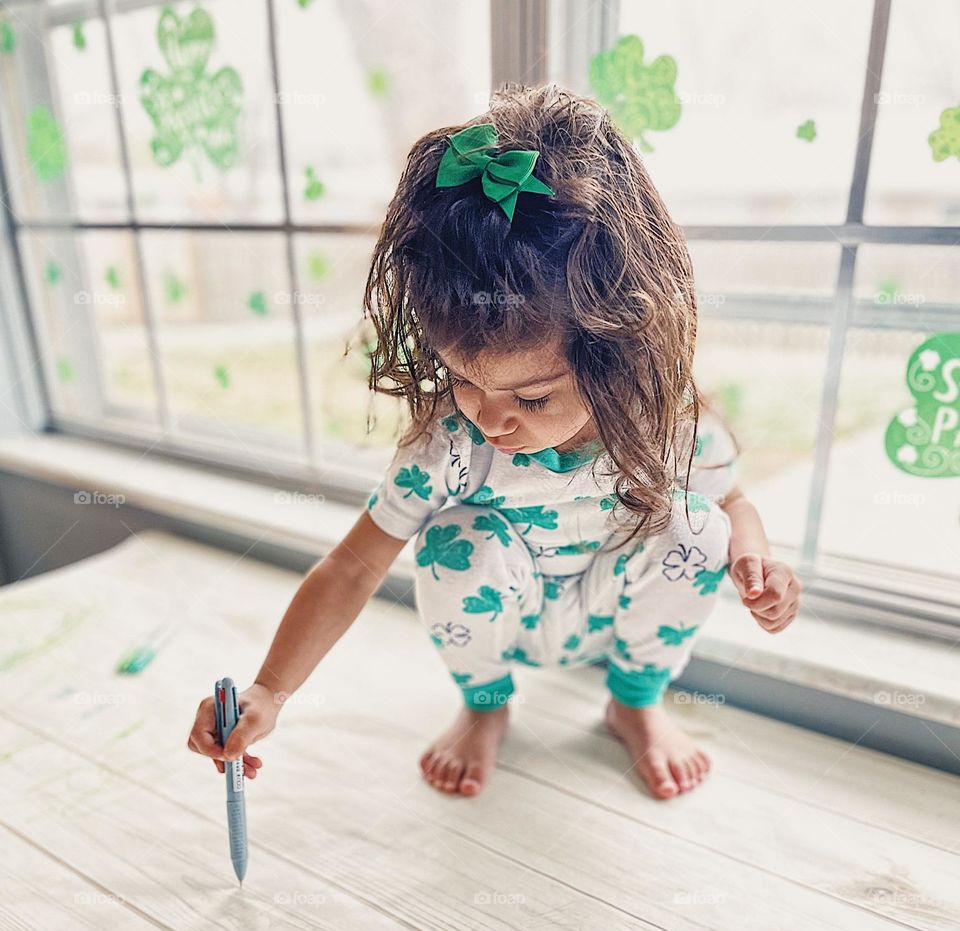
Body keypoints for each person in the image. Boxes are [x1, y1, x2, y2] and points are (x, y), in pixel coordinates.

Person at [187, 84, 800, 800]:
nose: (489, 418)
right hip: (501, 617)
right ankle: (485, 704)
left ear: (617, 352)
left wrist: (755, 558)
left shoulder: (659, 422)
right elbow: (353, 565)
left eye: (532, 396)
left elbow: (733, 498)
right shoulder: (450, 441)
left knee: (703, 525)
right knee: (453, 540)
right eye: (463, 380)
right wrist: (270, 690)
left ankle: (634, 700)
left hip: (616, 613)